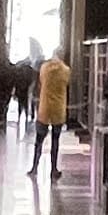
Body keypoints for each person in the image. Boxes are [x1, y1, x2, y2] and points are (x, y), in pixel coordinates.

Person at [29, 42, 70, 182]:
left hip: (44, 108)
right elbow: (66, 83)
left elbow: (41, 81)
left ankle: (34, 167)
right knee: (55, 140)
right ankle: (53, 169)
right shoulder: (65, 70)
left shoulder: (44, 68)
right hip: (58, 109)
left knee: (39, 140)